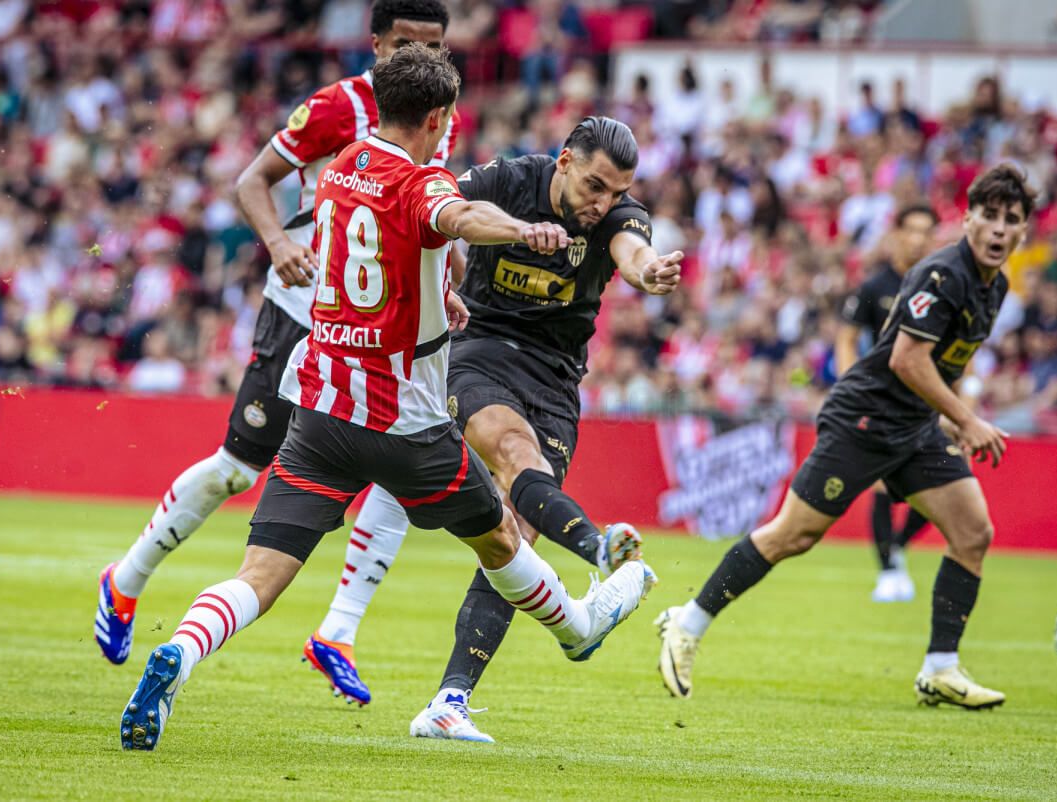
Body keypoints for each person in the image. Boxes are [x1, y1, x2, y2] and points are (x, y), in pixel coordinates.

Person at [118, 43, 655, 752]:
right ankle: (579, 628)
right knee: (501, 532)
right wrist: (524, 229)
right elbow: (455, 218)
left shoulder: (339, 172)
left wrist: (444, 296)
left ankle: (178, 655)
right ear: (436, 118)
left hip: (319, 413)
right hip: (403, 421)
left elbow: (383, 261)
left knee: (260, 574)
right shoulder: (423, 181)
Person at [94, 0, 460, 666]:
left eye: (432, 47)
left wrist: (448, 287)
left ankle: (338, 630)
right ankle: (126, 579)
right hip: (300, 312)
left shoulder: (440, 116)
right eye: (405, 42)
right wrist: (275, 242)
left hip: (375, 336)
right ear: (375, 44)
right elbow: (252, 179)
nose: (419, 58)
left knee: (404, 456)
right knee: (239, 470)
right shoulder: (334, 109)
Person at [302, 116, 684, 742]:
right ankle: (598, 548)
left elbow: (633, 254)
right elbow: (453, 209)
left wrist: (647, 273)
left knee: (515, 538)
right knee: (511, 451)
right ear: (563, 162)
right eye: (593, 186)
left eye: (616, 192)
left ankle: (450, 701)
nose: (602, 203)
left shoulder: (618, 216)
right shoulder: (510, 179)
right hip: (478, 351)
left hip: (556, 379)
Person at [655, 165, 1035, 710]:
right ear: (968, 218)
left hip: (914, 424)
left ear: (1025, 230)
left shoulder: (992, 285)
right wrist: (967, 419)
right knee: (793, 535)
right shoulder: (943, 275)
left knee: (973, 531)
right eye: (990, 216)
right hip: (866, 417)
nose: (1000, 229)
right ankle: (686, 623)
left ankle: (940, 668)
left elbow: (946, 363)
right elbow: (906, 358)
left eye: (1013, 220)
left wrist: (951, 416)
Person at [835, 204, 938, 602]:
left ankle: (896, 547)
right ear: (896, 234)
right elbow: (846, 336)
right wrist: (850, 385)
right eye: (911, 230)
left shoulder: (940, 285)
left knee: (939, 486)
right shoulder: (875, 286)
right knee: (879, 482)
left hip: (928, 399)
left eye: (925, 231)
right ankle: (888, 571)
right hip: (880, 399)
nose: (918, 238)